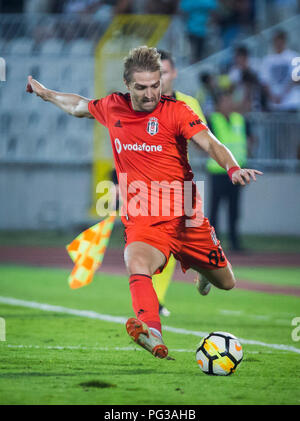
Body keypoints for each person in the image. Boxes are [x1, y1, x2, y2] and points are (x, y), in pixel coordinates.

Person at [27, 46, 262, 360]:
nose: (150, 93)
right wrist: (47, 94)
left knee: (227, 282)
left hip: (186, 215)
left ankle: (205, 271)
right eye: (141, 87)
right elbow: (79, 105)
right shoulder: (113, 107)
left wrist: (232, 168)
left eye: (156, 85)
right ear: (127, 84)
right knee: (135, 261)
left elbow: (210, 143)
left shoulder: (177, 111)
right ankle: (152, 330)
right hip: (143, 216)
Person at [154, 49, 207, 316]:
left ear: (173, 73)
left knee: (179, 241)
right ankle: (157, 301)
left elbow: (202, 139)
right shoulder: (142, 102)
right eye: (155, 73)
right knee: (160, 245)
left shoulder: (188, 103)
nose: (159, 78)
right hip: (147, 186)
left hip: (179, 184)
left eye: (163, 72)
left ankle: (203, 266)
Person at [206, 91, 249, 252]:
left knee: (234, 209)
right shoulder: (213, 120)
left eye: (230, 101)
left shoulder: (239, 119)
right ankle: (213, 244)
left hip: (237, 172)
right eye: (225, 101)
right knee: (215, 210)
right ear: (218, 105)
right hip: (218, 171)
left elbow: (248, 139)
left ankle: (234, 243)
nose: (229, 104)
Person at [260, 30, 300, 112]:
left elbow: (297, 79)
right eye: (276, 40)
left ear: (284, 40)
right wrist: (272, 96)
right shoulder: (267, 60)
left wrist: (283, 94)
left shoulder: (294, 56)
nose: (278, 43)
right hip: (274, 104)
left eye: (280, 40)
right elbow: (264, 81)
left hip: (291, 102)